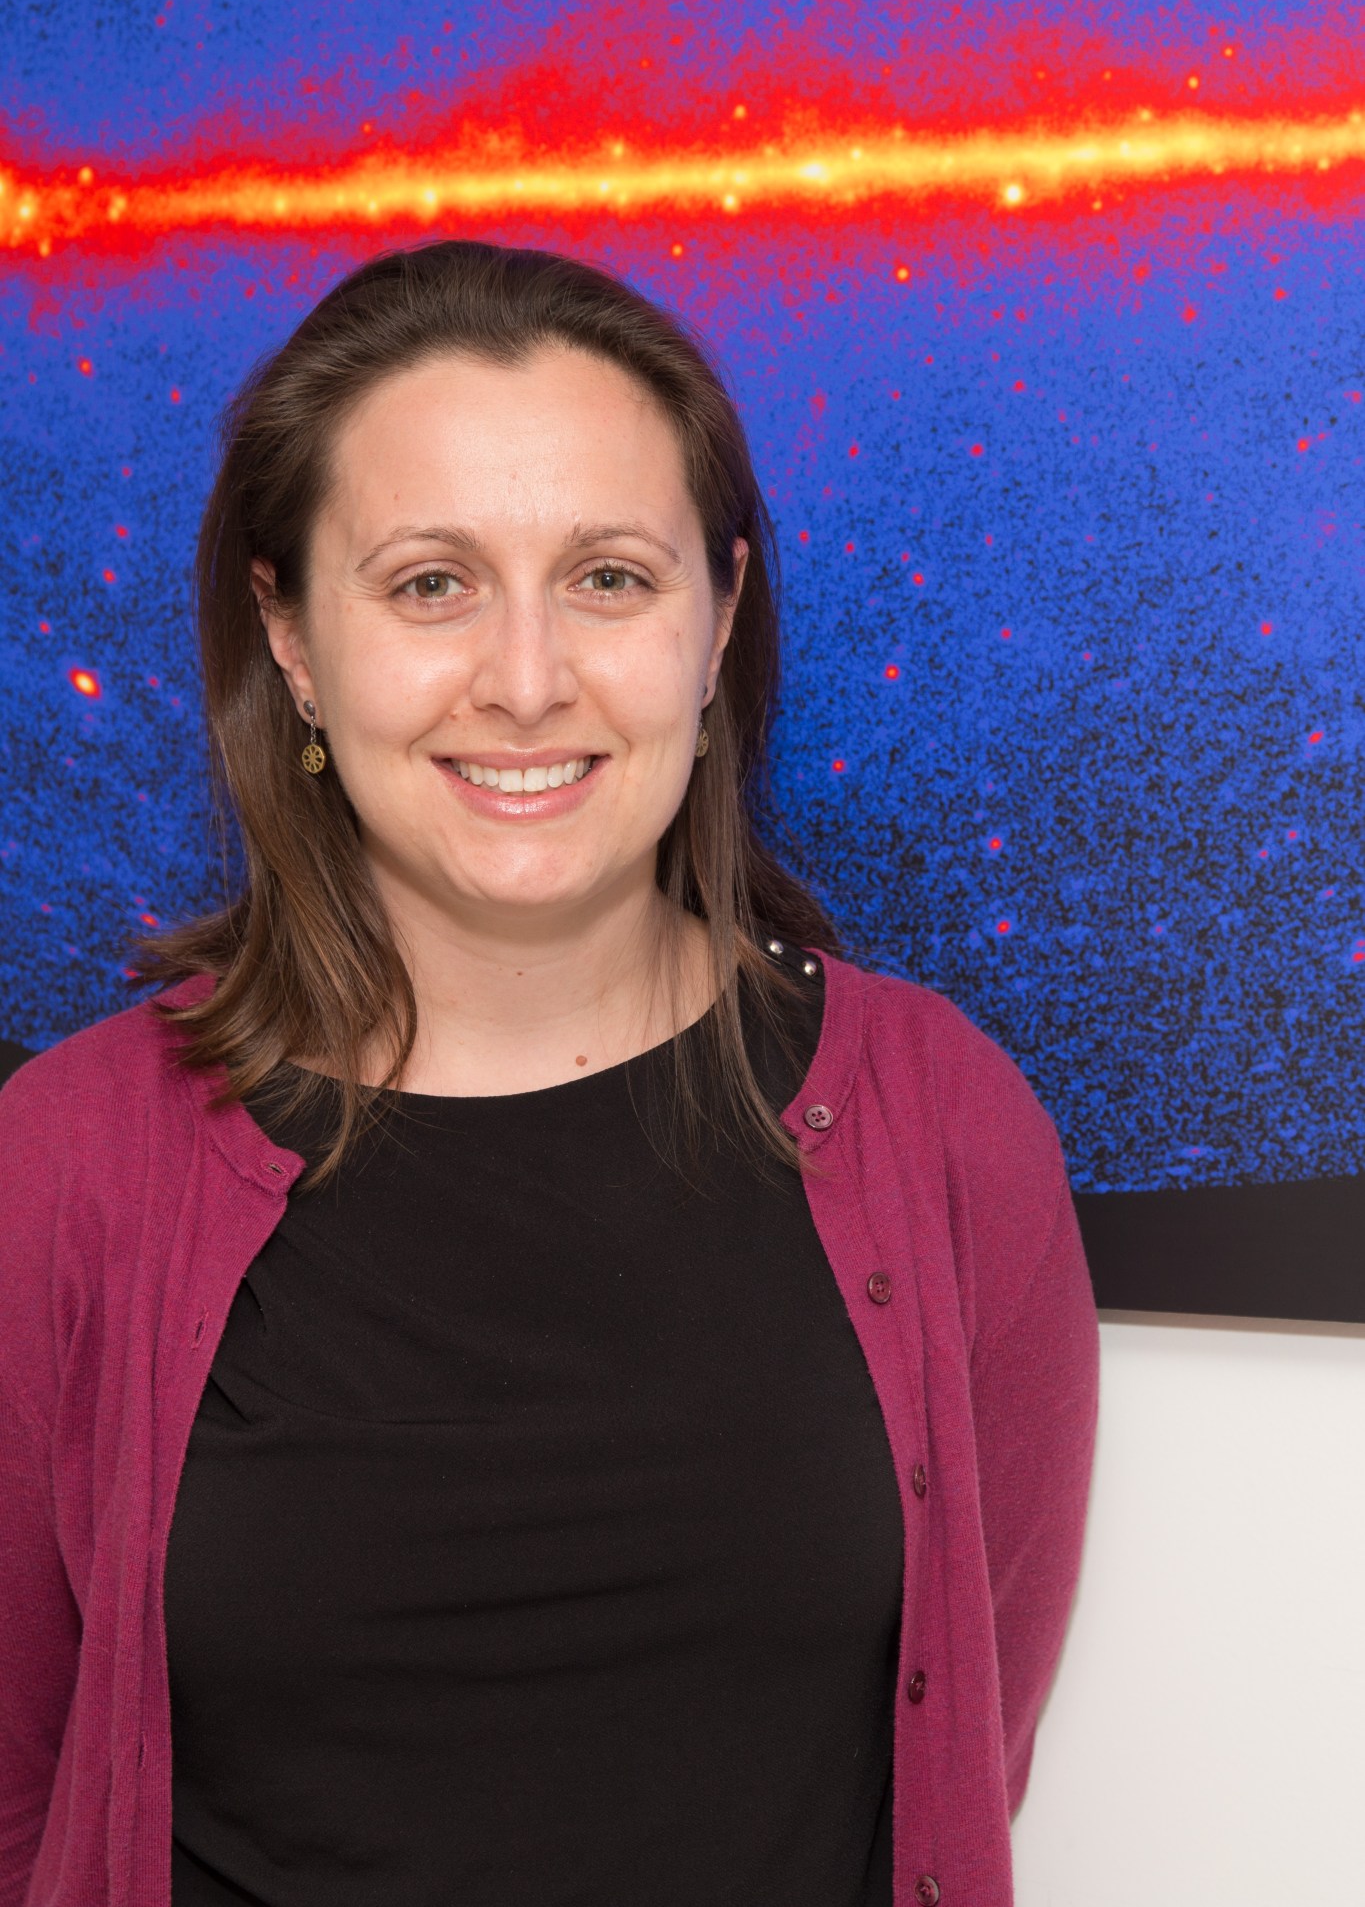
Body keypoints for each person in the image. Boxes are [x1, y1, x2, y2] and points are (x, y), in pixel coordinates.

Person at [0, 240, 1098, 1907]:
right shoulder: (66, 1162)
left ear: (718, 617)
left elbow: (961, 1762)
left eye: (607, 577)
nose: (524, 682)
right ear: (287, 632)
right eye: (429, 582)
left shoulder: (939, 1124)